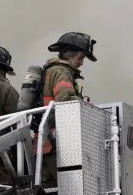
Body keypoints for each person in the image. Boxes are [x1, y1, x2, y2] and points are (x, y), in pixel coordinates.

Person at [38, 32, 97, 186]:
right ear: (70, 54)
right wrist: (85, 106)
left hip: (46, 143)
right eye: (80, 57)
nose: (81, 63)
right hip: (55, 143)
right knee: (72, 188)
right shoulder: (61, 72)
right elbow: (66, 101)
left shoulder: (52, 71)